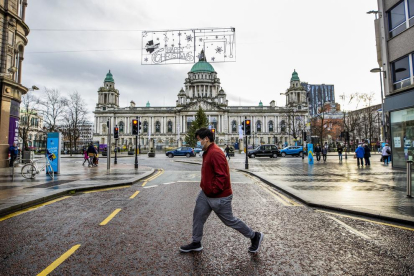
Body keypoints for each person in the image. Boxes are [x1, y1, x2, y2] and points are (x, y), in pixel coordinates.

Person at [180, 128, 263, 254]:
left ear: (206, 139)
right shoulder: (207, 151)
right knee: (198, 216)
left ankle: (254, 236)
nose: (198, 143)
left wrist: (213, 191)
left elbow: (222, 176)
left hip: (219, 196)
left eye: (199, 140)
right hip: (205, 194)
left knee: (229, 221)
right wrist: (206, 189)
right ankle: (196, 242)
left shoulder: (215, 153)